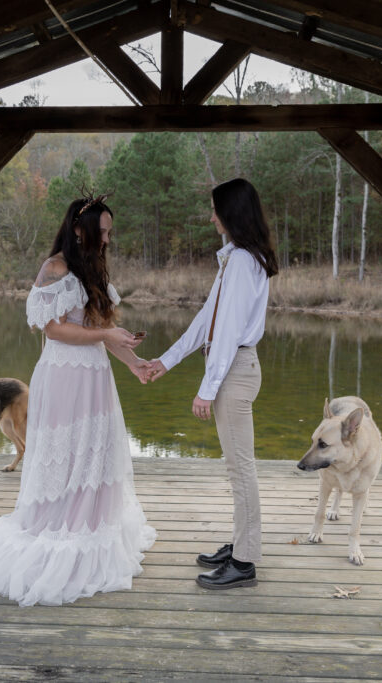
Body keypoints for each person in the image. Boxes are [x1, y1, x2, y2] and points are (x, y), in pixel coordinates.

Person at [0, 196, 157, 606]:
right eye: (103, 231)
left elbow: (102, 328)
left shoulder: (91, 269)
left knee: (95, 452)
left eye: (110, 232)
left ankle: (91, 522)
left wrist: (133, 361)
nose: (108, 239)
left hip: (94, 377)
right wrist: (106, 336)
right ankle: (57, 525)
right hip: (64, 377)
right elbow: (56, 330)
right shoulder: (54, 268)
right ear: (80, 230)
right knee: (66, 452)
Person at [147, 178, 278, 590]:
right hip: (234, 368)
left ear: (230, 213)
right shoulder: (237, 258)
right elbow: (207, 319)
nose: (210, 216)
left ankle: (244, 563)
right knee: (237, 467)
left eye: (214, 209)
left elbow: (227, 332)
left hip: (235, 370)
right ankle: (242, 545)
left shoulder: (241, 261)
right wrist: (166, 361)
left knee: (241, 470)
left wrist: (208, 387)